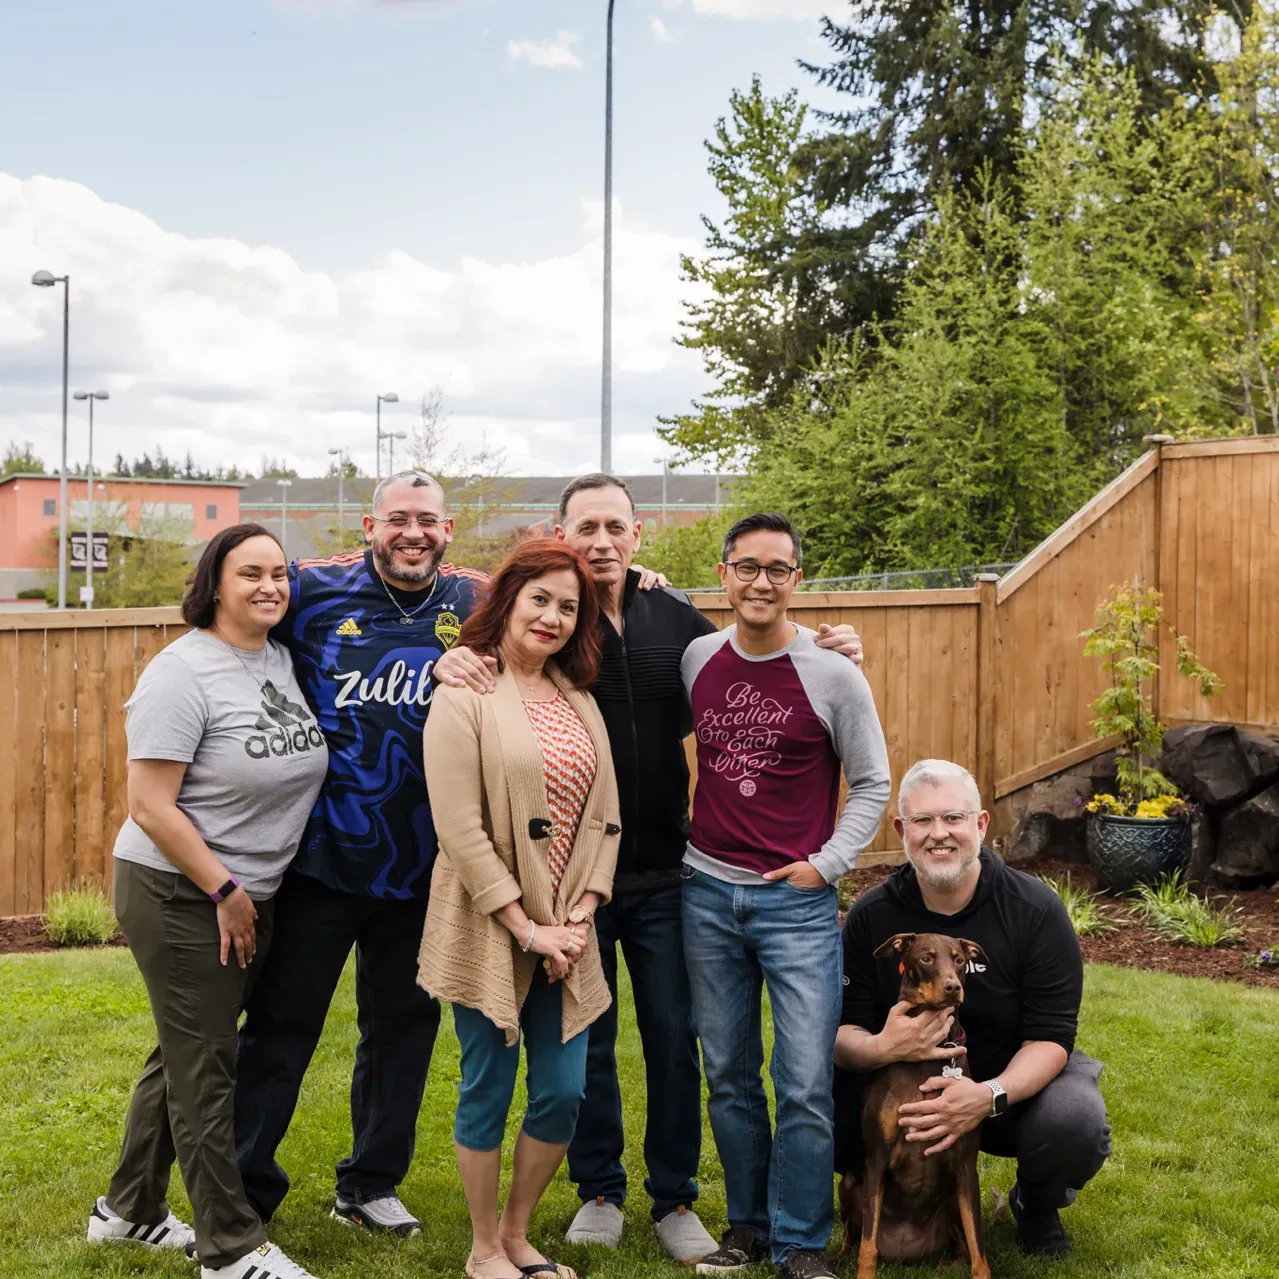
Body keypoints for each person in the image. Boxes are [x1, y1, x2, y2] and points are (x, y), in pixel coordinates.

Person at [434, 474, 866, 1262]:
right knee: (585, 1038)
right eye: (584, 526)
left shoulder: (680, 625)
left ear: (640, 535)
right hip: (566, 882)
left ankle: (673, 1196)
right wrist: (449, 664)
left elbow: (757, 663)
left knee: (675, 1037)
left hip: (672, 870)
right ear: (560, 532)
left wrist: (832, 646)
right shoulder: (552, 620)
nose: (600, 541)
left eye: (614, 527)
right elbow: (484, 662)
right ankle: (599, 1186)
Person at [234, 472, 487, 1237]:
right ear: (370, 524)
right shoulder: (311, 589)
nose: (413, 533)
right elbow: (229, 624)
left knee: (404, 1028)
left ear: (449, 528)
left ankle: (370, 1183)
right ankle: (244, 1187)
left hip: (426, 862)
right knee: (282, 1024)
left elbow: (568, 600)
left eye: (428, 521)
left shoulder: (475, 603)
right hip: (319, 855)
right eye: (398, 519)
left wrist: (644, 576)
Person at [89, 524, 330, 1279]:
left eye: (278, 574)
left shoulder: (278, 659)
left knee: (186, 1048)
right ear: (214, 583)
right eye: (248, 573)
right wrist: (223, 888)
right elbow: (151, 804)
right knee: (205, 1066)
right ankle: (229, 1247)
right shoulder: (182, 672)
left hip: (246, 890)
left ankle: (128, 1210)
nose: (268, 586)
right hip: (178, 888)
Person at [680, 512, 890, 1279]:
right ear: (725, 573)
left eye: (777, 568)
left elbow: (872, 781)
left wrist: (825, 863)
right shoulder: (698, 657)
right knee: (728, 1074)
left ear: (796, 579)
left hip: (795, 906)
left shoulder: (834, 673)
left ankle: (801, 1239)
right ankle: (747, 1226)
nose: (760, 581)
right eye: (746, 566)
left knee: (801, 1079)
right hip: (704, 892)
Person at [418, 538, 620, 1279]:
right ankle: (480, 1249)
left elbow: (606, 816)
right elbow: (459, 829)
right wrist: (525, 925)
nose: (554, 616)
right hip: (488, 921)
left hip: (569, 927)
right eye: (540, 598)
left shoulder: (580, 699)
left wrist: (581, 915)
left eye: (570, 606)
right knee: (487, 1082)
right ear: (507, 599)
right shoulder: (463, 694)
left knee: (564, 1089)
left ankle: (515, 1232)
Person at [835, 759, 1111, 1260]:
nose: (938, 834)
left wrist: (988, 1096)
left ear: (980, 825)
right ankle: (855, 1210)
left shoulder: (1034, 911)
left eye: (953, 818)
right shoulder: (872, 916)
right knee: (809, 1092)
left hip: (1007, 1095)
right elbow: (841, 1030)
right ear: (901, 830)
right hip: (899, 1090)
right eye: (922, 821)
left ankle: (1037, 1202)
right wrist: (880, 1047)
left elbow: (1050, 1037)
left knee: (1074, 1120)